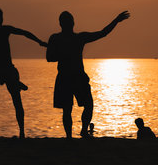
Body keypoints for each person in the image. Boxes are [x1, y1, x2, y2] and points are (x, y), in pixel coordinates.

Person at [46, 10, 130, 138]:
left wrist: (116, 21)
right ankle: (73, 135)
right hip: (67, 77)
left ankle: (82, 131)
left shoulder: (76, 38)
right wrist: (63, 54)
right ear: (67, 23)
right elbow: (49, 57)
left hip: (76, 77)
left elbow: (102, 33)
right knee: (69, 109)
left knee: (84, 106)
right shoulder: (58, 38)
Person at [0, 7, 47, 138]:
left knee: (17, 101)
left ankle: (21, 131)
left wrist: (39, 42)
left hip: (6, 71)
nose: (0, 20)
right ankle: (21, 131)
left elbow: (25, 33)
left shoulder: (2, 31)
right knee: (16, 99)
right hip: (1, 72)